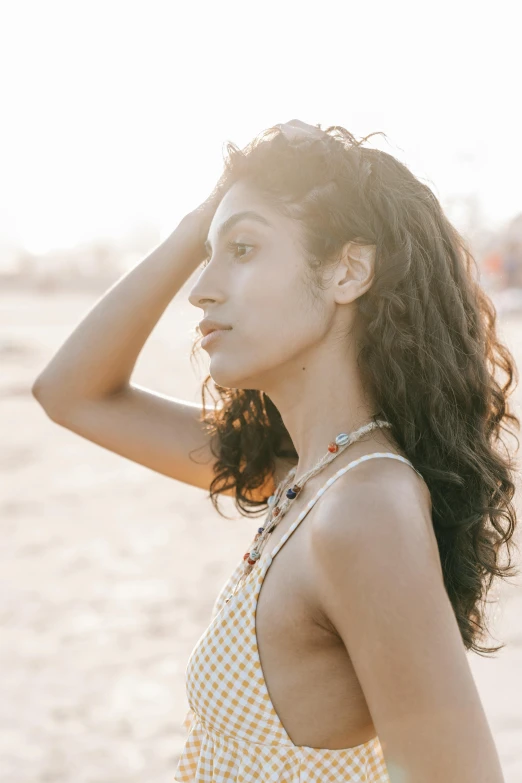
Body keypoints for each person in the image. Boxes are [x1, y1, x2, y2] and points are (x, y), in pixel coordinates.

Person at [32, 120, 517, 782]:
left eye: (244, 248)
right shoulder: (303, 478)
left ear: (348, 270)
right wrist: (196, 227)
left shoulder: (363, 510)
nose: (201, 288)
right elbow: (69, 394)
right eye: (210, 255)